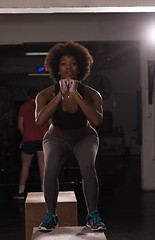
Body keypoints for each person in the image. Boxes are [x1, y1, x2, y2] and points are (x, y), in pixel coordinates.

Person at [35, 41, 106, 231]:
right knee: (49, 172)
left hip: (85, 136)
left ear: (80, 67)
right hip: (56, 138)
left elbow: (96, 121)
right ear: (57, 68)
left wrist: (75, 93)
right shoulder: (45, 94)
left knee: (88, 170)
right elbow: (40, 121)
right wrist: (60, 94)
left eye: (73, 63)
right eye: (63, 63)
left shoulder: (92, 94)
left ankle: (93, 215)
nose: (68, 67)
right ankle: (51, 216)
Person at [13, 88, 49, 200]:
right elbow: (51, 124)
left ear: (28, 97)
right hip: (42, 140)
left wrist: (27, 135)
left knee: (25, 167)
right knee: (43, 167)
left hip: (28, 140)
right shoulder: (43, 107)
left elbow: (20, 125)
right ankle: (44, 193)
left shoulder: (24, 107)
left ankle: (20, 193)